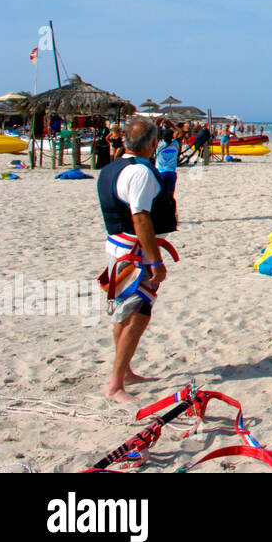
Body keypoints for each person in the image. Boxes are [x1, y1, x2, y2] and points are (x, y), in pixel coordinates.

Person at [96, 118, 178, 404]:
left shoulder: (110, 168)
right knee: (138, 315)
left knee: (124, 311)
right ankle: (115, 385)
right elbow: (140, 216)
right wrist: (156, 262)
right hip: (135, 252)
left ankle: (125, 371)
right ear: (154, 144)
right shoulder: (140, 173)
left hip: (118, 248)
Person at [155, 128, 180, 205]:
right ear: (172, 137)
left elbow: (155, 131)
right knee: (171, 196)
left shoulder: (159, 145)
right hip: (172, 172)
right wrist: (171, 124)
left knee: (160, 196)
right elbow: (179, 132)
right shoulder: (176, 144)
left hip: (160, 172)